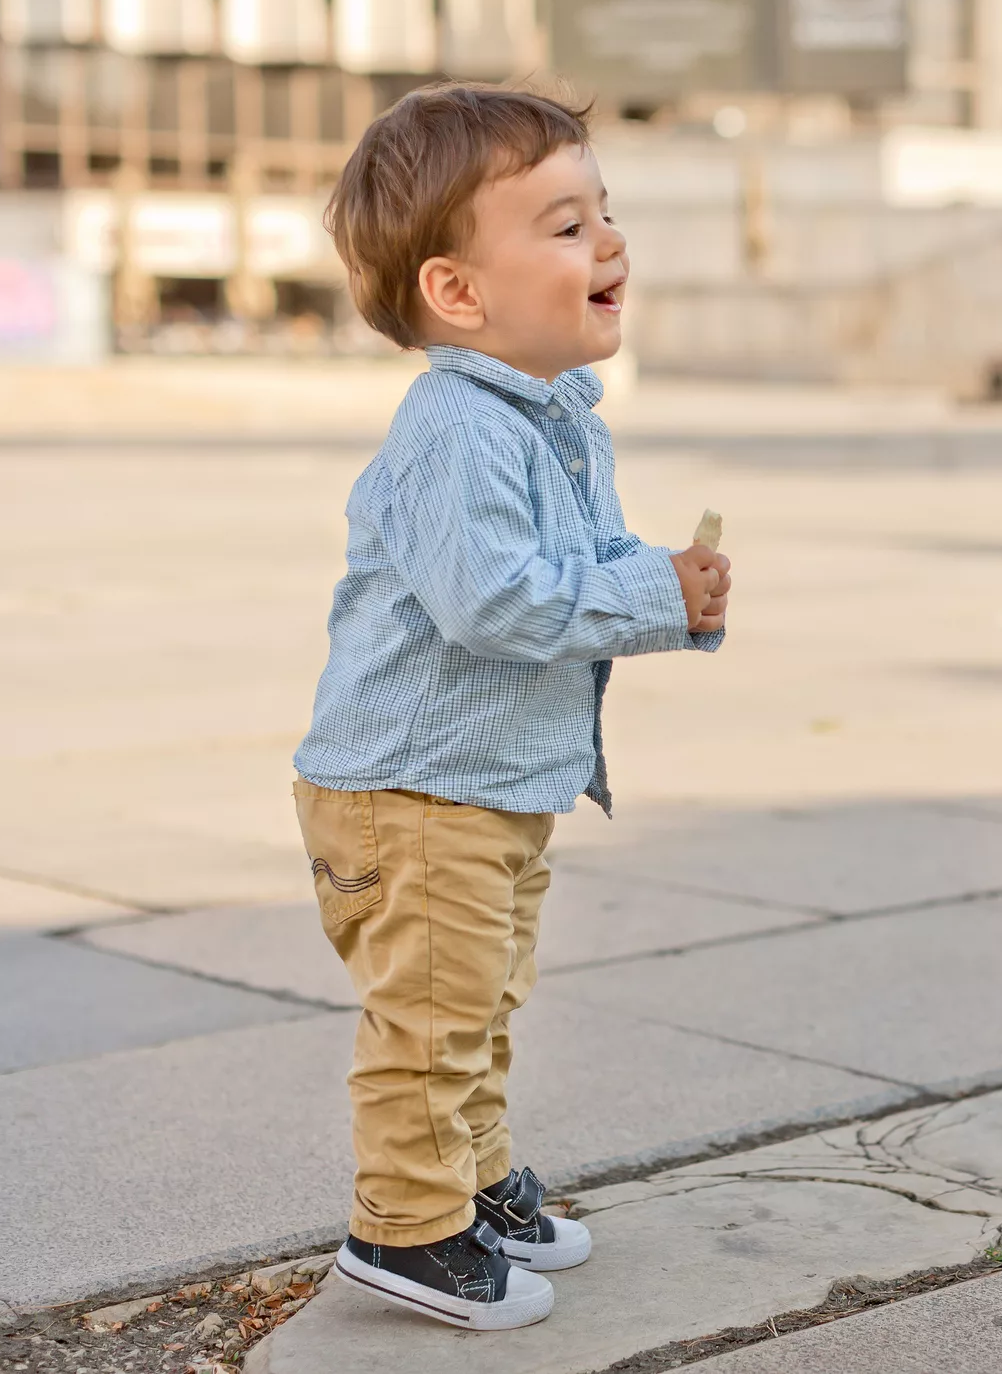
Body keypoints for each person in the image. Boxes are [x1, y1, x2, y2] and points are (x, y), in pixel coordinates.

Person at [290, 82, 730, 1332]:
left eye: (604, 214)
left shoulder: (550, 421)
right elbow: (502, 603)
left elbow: (572, 570)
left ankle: (471, 1182)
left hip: (485, 786)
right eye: (564, 224)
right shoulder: (456, 429)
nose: (609, 244)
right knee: (431, 1013)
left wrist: (673, 591)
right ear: (460, 294)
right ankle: (405, 1228)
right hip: (412, 794)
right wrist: (651, 591)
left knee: (477, 996)